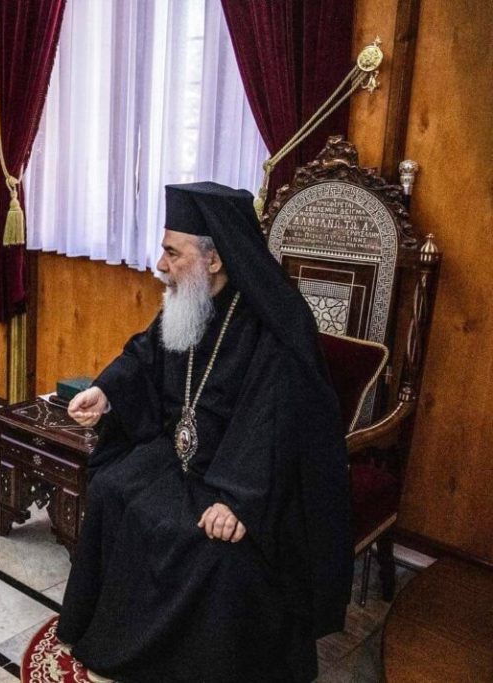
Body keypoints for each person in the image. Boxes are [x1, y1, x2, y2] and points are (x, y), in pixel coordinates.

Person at [58, 182, 352, 682]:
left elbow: (277, 418)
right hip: (181, 455)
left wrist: (239, 499)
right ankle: (120, 632)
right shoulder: (187, 300)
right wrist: (106, 392)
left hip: (243, 474)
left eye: (173, 252)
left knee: (209, 550)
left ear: (213, 259)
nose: (160, 264)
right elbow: (146, 354)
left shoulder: (271, 323)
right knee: (110, 487)